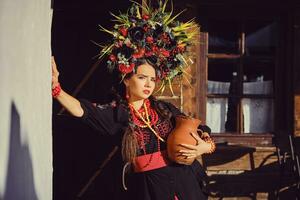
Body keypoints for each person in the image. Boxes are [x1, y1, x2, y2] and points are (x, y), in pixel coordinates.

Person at [52, 1, 216, 199]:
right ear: (127, 79)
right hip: (150, 188)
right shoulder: (118, 112)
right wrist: (57, 90)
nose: (148, 84)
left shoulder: (164, 109)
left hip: (185, 182)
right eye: (141, 78)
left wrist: (206, 146)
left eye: (153, 79)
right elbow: (84, 111)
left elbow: (198, 128)